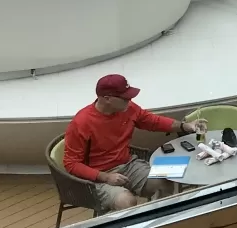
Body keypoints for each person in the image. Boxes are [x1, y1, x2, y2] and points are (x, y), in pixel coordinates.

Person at [63, 74, 200, 211]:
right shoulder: (81, 123)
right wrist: (105, 177)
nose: (129, 101)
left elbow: (153, 121)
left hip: (128, 165)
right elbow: (71, 163)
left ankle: (161, 216)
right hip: (95, 177)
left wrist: (185, 126)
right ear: (107, 98)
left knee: (166, 179)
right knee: (126, 201)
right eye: (125, 98)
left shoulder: (128, 108)